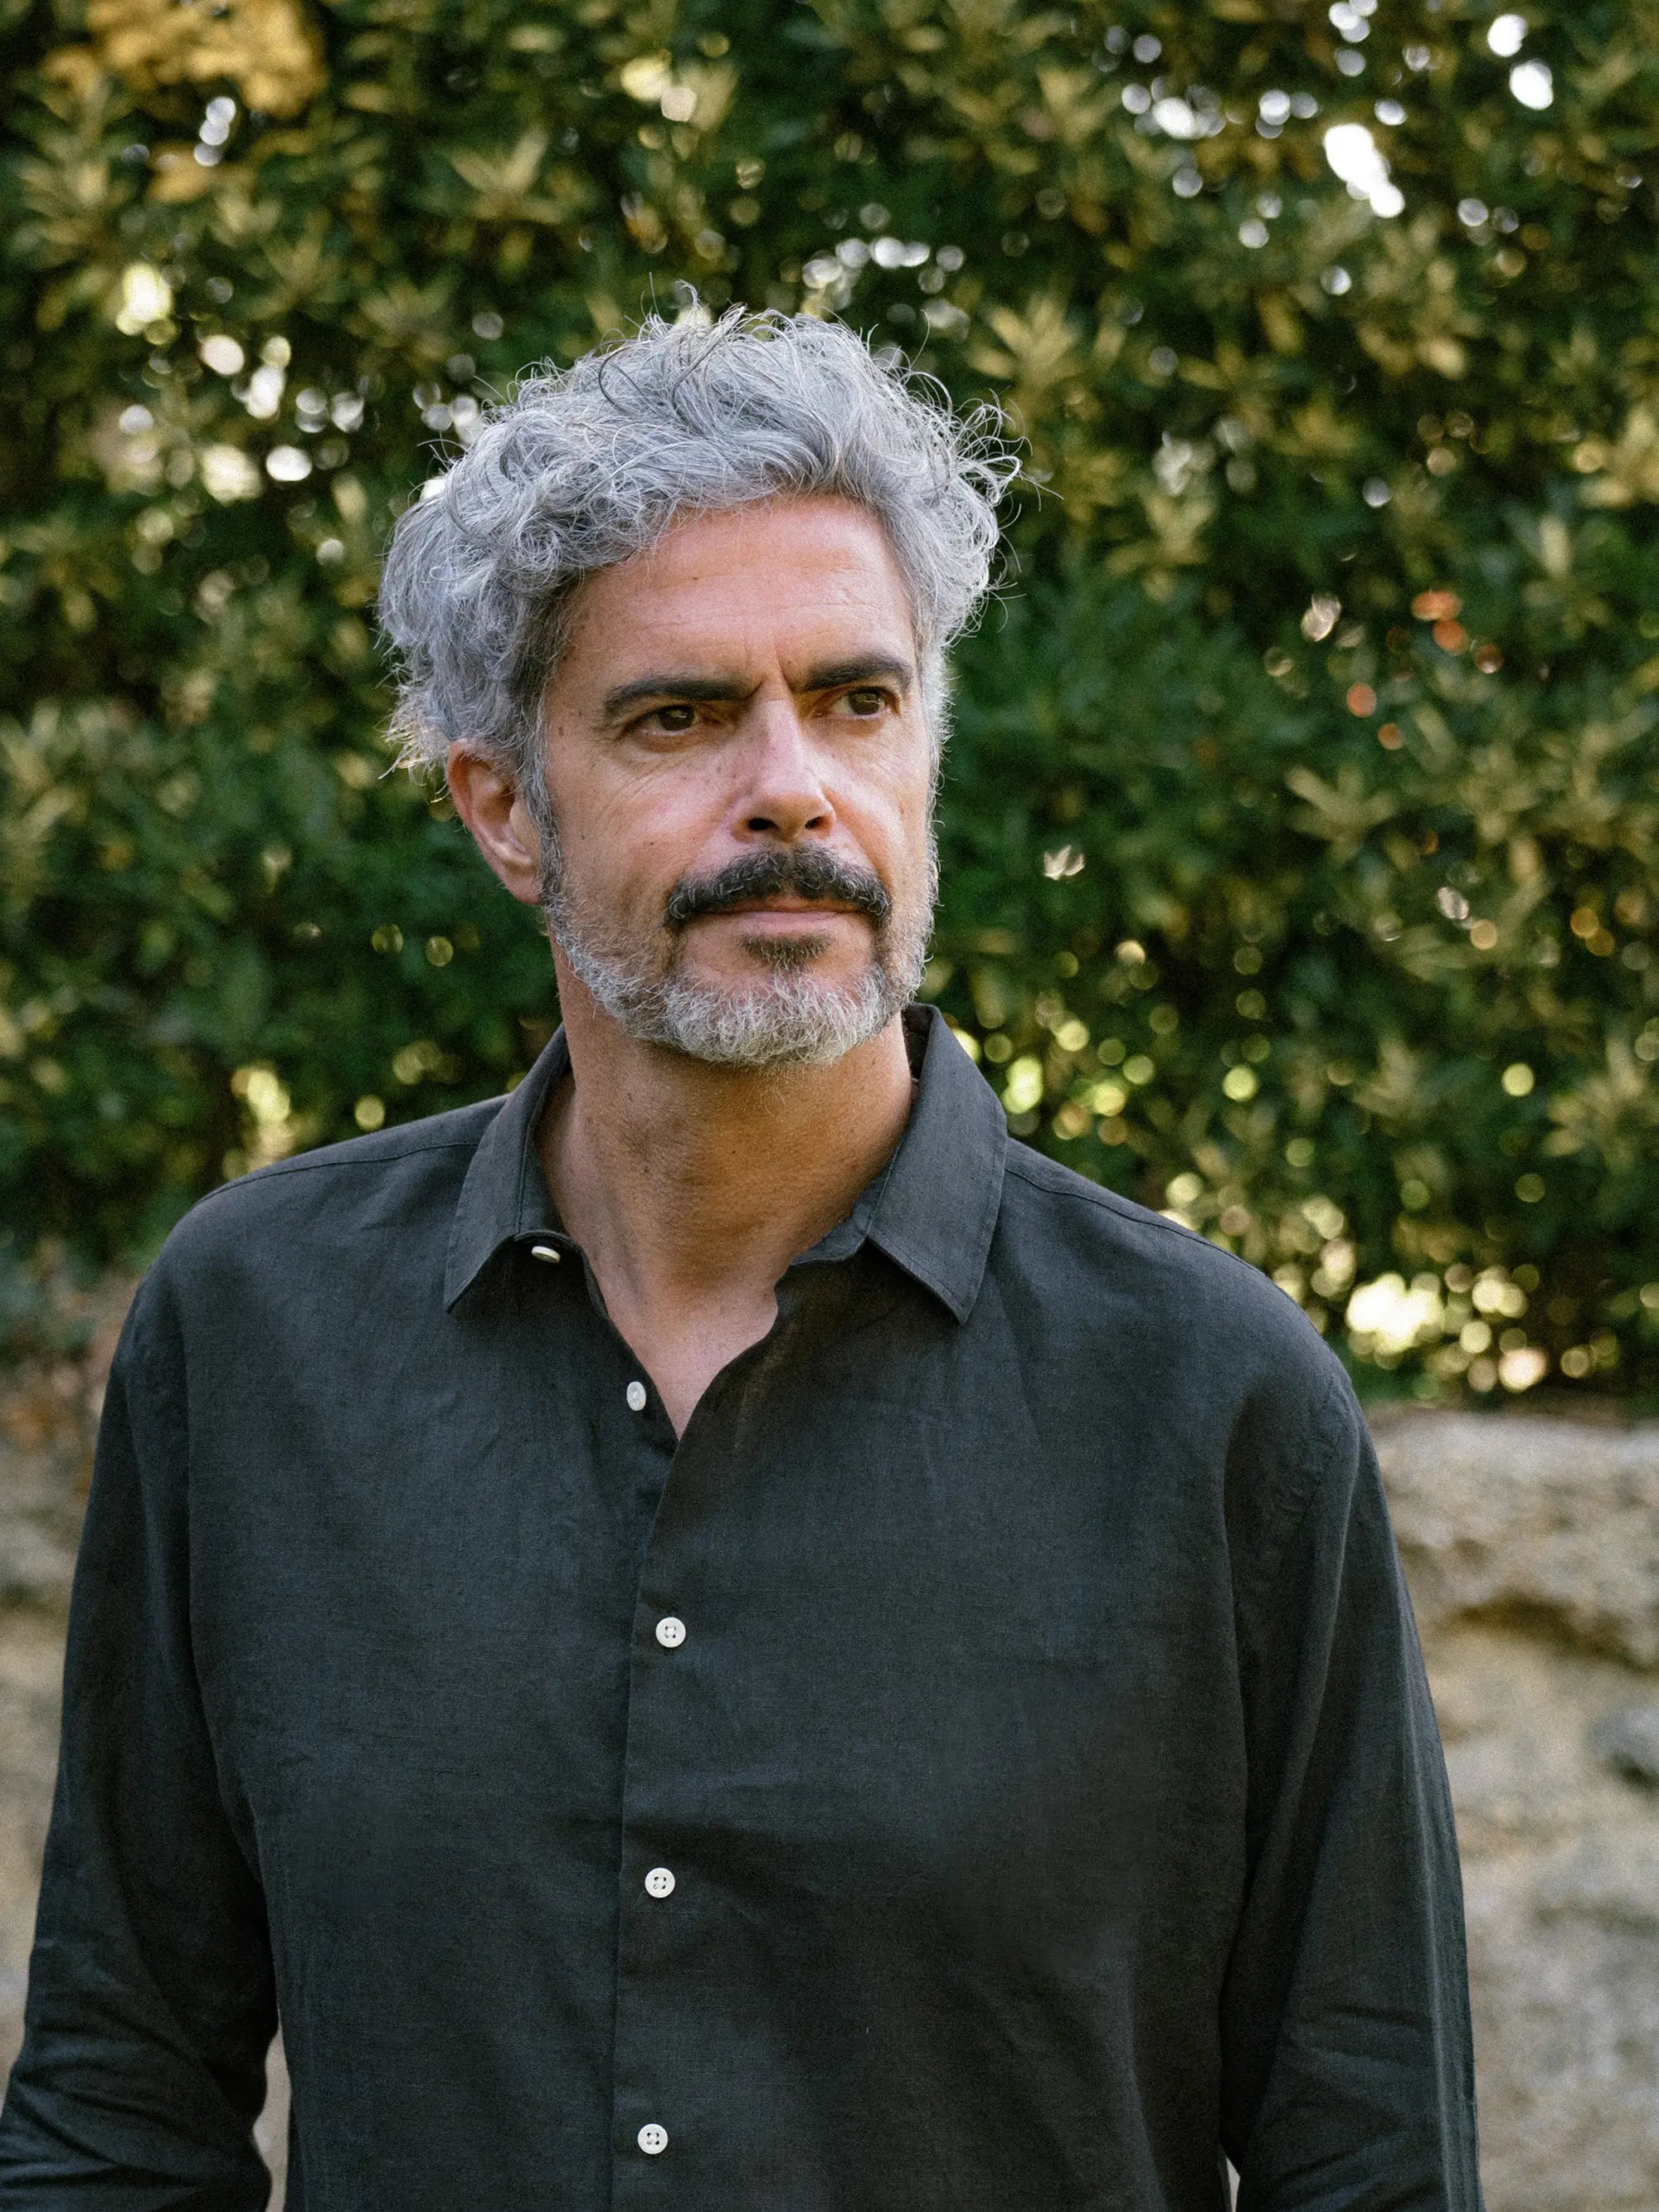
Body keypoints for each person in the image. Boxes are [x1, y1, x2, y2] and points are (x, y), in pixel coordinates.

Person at [0, 310, 1482, 2210]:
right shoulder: (257, 1334)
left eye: (856, 701)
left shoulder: (1211, 1398)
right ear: (503, 808)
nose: (792, 786)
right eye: (679, 716)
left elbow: (1370, 2163)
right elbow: (119, 2112)